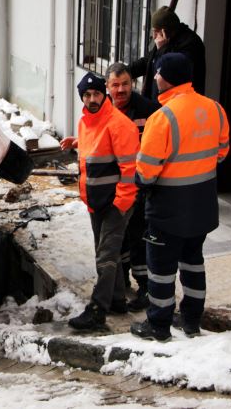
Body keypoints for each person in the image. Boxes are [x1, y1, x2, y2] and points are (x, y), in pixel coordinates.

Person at [130, 53, 230, 342]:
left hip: (168, 210)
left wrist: (142, 181)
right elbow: (222, 152)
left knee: (160, 269)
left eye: (158, 74)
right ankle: (191, 320)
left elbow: (146, 172)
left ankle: (158, 325)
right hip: (202, 205)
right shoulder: (215, 109)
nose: (155, 79)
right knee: (193, 261)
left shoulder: (162, 118)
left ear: (165, 78)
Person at [60, 72, 139, 331]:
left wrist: (121, 203)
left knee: (105, 256)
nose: (92, 99)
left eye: (96, 94)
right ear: (82, 97)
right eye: (87, 95)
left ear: (104, 94)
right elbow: (94, 149)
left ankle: (97, 310)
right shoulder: (86, 122)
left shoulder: (119, 124)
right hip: (96, 202)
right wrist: (75, 141)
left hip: (116, 203)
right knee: (106, 254)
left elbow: (130, 169)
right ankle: (116, 299)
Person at [105, 62, 157, 311]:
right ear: (108, 87)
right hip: (112, 187)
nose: (121, 89)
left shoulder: (148, 109)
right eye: (115, 85)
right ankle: (122, 277)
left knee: (138, 235)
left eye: (125, 84)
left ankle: (145, 286)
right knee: (119, 236)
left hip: (139, 186)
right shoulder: (101, 109)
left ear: (132, 84)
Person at [129, 6, 206, 105]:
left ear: (164, 31)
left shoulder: (190, 44)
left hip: (180, 104)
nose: (154, 35)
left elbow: (165, 70)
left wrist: (161, 48)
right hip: (163, 101)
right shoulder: (168, 39)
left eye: (156, 31)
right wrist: (125, 72)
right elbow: (148, 61)